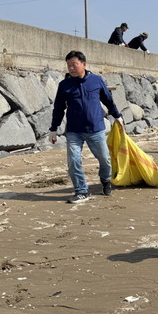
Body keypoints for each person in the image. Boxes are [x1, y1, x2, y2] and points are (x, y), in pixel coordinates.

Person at [48, 50, 123, 204]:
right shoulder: (64, 85)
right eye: (68, 65)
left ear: (83, 64)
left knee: (105, 160)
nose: (71, 68)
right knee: (74, 161)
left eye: (74, 64)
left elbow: (108, 100)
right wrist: (53, 129)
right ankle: (81, 191)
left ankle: (106, 180)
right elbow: (58, 108)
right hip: (74, 131)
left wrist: (117, 116)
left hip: (95, 129)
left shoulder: (96, 80)